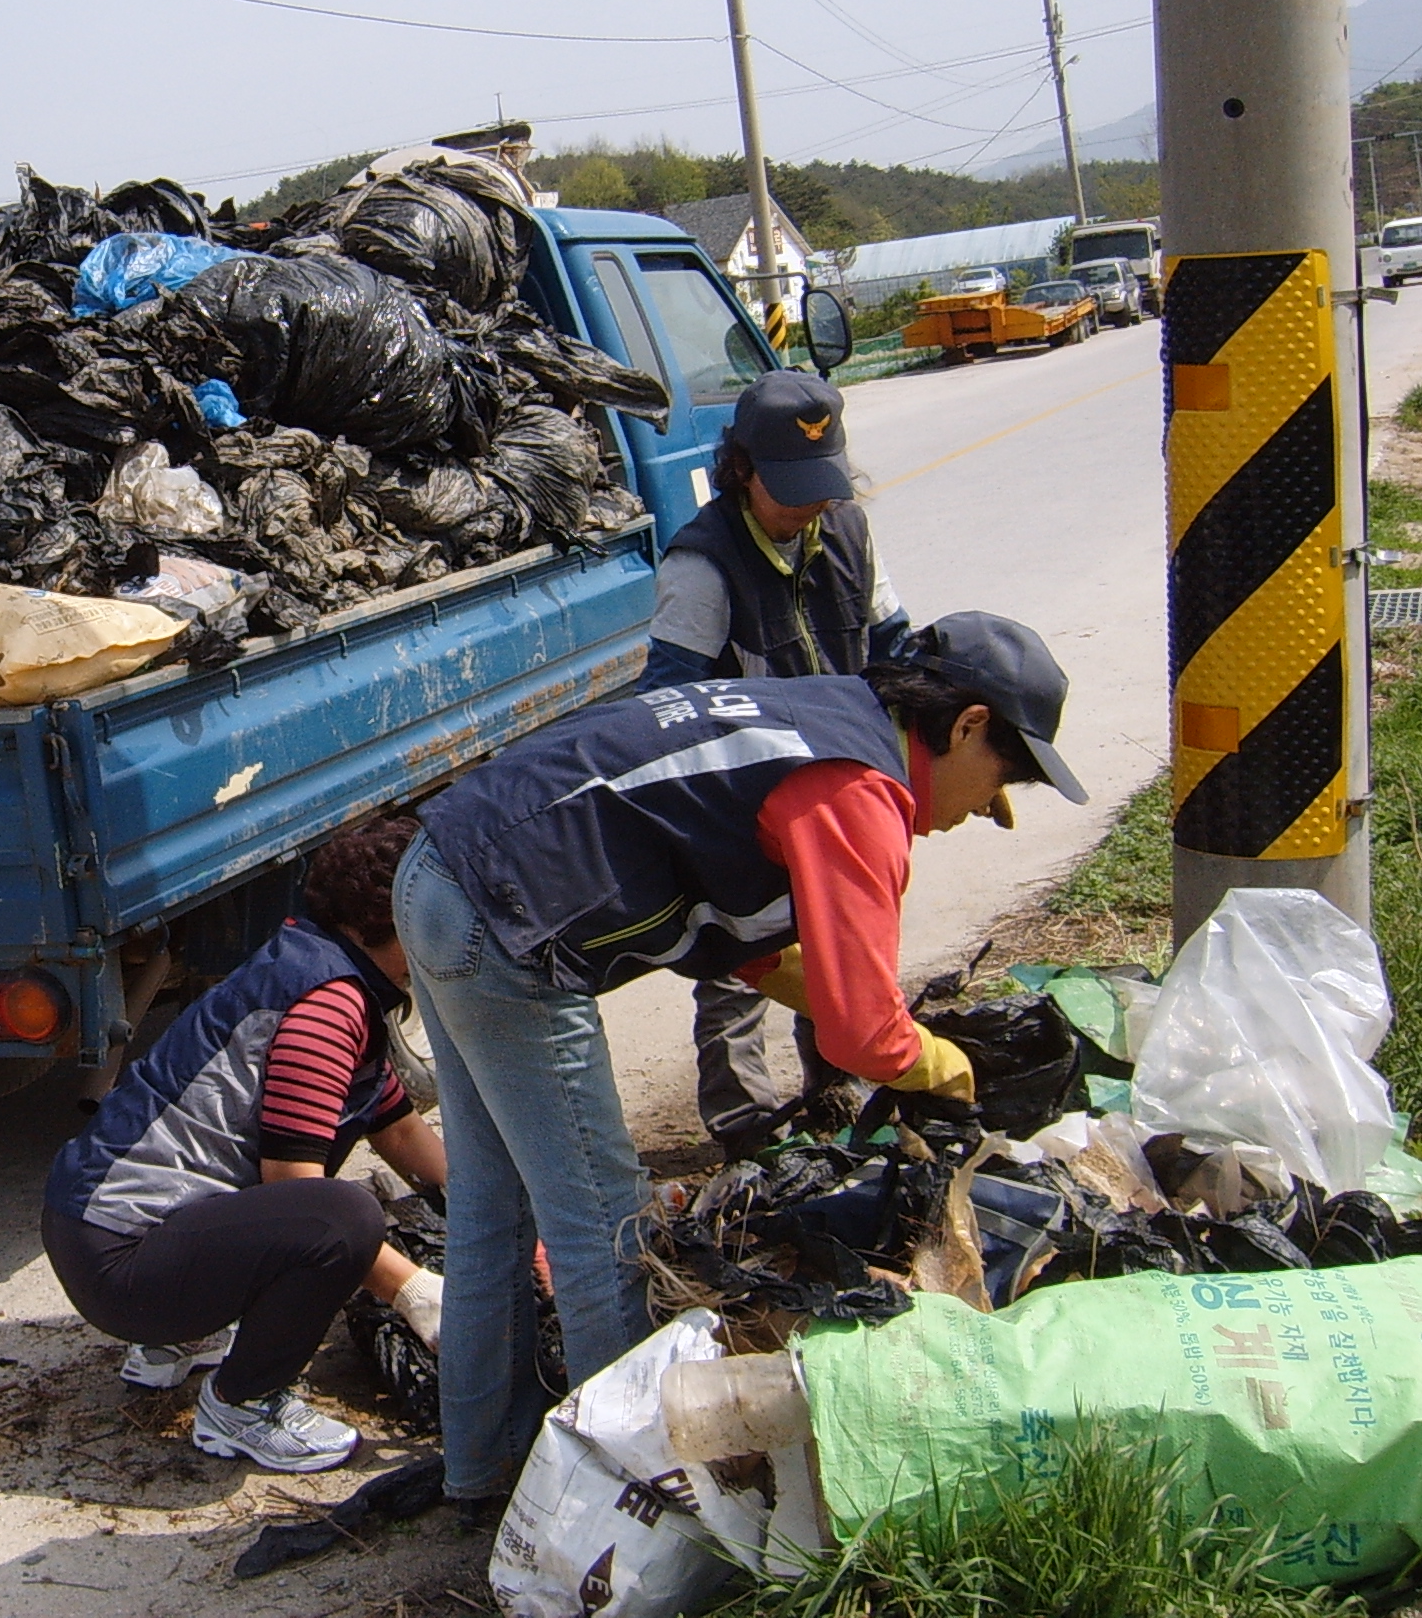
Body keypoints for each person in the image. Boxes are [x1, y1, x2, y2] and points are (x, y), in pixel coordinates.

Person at [391, 612, 1087, 1512]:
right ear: (967, 726)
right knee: (606, 1227)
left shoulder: (821, 720)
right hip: (504, 926)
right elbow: (862, 1039)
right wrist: (945, 1065)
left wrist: (873, 1015)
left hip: (439, 872)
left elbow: (762, 954)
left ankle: (482, 1475)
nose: (987, 810)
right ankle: (621, 1508)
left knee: (496, 1204)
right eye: (1004, 776)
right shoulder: (857, 787)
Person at [43, 813, 448, 1474]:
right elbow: (295, 1189)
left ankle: (173, 1343)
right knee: (343, 1217)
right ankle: (243, 1406)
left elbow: (399, 1127)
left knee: (320, 1214)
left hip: (91, 1229)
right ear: (389, 919)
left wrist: (511, 1225)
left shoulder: (315, 963)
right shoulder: (330, 1004)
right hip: (124, 1264)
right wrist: (416, 1293)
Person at [644, 369, 913, 1160]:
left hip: (840, 796)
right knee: (741, 967)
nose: (807, 506)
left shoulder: (850, 534)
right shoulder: (703, 564)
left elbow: (895, 649)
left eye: (820, 484)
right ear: (741, 471)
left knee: (846, 955)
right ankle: (748, 1134)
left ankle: (837, 1101)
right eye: (789, 487)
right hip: (746, 809)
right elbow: (669, 705)